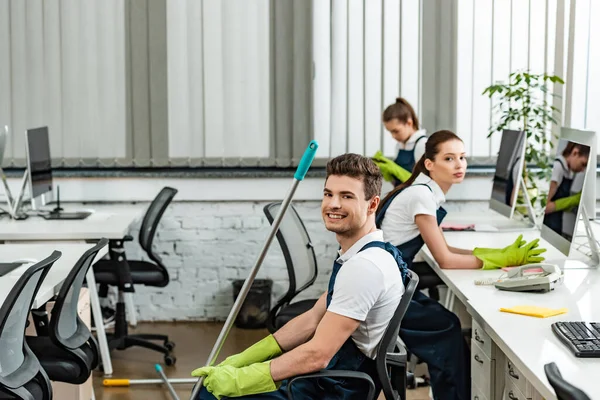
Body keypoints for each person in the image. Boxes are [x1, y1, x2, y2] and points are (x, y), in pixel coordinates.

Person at [192, 153, 408, 399]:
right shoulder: (362, 255)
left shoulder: (364, 268)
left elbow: (318, 354)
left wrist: (242, 379)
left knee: (209, 394)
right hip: (328, 377)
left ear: (372, 204)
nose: (333, 204)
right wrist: (245, 359)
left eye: (346, 196)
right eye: (328, 194)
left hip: (333, 390)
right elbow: (312, 319)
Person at [376, 130, 546, 400]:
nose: (459, 165)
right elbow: (445, 259)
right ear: (430, 164)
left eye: (463, 157)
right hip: (385, 294)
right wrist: (496, 260)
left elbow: (444, 247)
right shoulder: (421, 197)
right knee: (447, 328)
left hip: (390, 284)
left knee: (449, 323)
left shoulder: (422, 191)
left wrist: (495, 254)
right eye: (449, 158)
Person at [372, 97, 427, 186]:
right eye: (390, 132)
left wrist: (396, 169)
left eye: (396, 131)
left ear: (409, 123)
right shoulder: (399, 145)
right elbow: (396, 181)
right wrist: (387, 171)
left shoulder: (422, 145)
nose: (393, 136)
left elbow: (425, 182)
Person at [544, 141, 589, 238]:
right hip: (548, 224)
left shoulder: (570, 170)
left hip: (557, 220)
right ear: (575, 153)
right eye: (583, 164)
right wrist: (573, 200)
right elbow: (545, 206)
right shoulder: (558, 168)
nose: (583, 170)